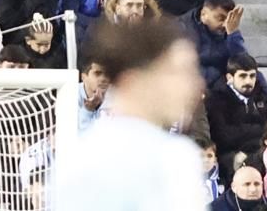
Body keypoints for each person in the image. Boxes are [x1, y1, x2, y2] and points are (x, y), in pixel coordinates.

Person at [48, 19, 206, 211]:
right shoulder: (173, 158)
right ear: (135, 80)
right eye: (179, 73)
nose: (197, 84)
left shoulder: (76, 158)